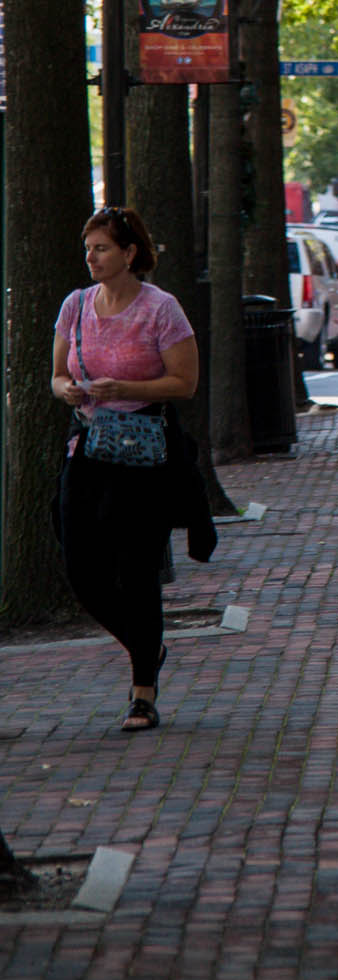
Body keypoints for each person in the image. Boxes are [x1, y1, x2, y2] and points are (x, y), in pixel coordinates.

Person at [51, 207, 200, 733]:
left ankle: (142, 694)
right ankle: (148, 645)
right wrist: (66, 389)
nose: (90, 257)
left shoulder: (161, 310)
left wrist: (126, 390)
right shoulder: (76, 306)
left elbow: (184, 382)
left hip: (143, 456)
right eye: (88, 248)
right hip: (88, 449)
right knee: (81, 569)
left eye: (101, 248)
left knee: (138, 570)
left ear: (129, 253)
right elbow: (56, 375)